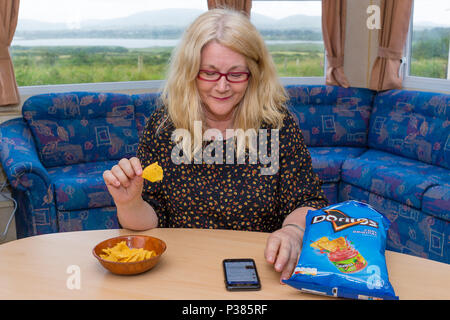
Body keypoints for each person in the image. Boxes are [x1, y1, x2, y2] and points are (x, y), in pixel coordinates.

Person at [103, 8, 328, 282]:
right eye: (209, 73)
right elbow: (152, 217)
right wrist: (129, 203)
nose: (222, 87)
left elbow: (306, 200)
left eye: (236, 74)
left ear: (254, 74)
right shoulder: (165, 126)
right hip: (183, 270)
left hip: (261, 270)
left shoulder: (276, 125)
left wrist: (294, 231)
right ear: (190, 71)